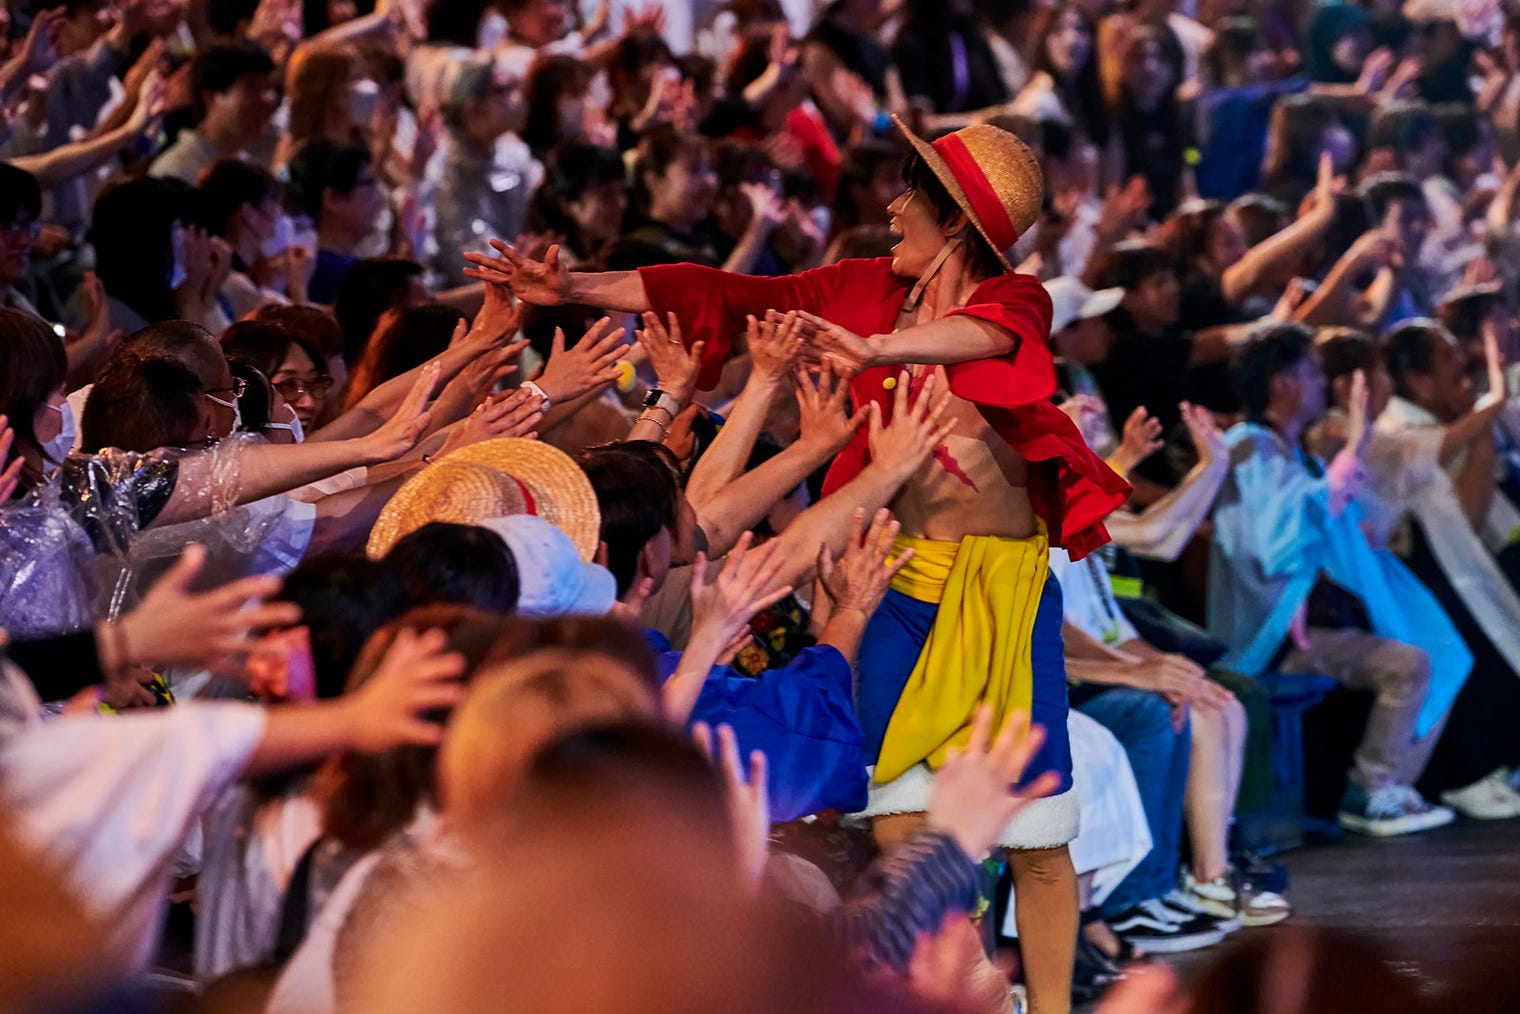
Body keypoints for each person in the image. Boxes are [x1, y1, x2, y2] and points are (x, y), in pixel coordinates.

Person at [470, 117, 1129, 1013]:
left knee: (1039, 837)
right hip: (892, 584)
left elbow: (990, 338)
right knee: (895, 818)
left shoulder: (1016, 300)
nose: (892, 208)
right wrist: (576, 285)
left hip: (1003, 597)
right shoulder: (861, 289)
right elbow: (726, 293)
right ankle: (969, 990)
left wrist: (881, 351)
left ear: (956, 220)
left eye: (912, 195)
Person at [1208, 320, 1462, 836]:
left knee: (1438, 650)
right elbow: (1275, 542)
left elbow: (1318, 515)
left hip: (1301, 626)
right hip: (1269, 636)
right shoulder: (1249, 447)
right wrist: (1355, 447)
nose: (1321, 383)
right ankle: (1371, 791)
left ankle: (1393, 786)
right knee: (1409, 664)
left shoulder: (1291, 452)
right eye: (1310, 371)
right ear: (1283, 382)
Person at [149, 40, 280, 184]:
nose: (268, 99)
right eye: (252, 89)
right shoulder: (176, 172)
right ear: (211, 97)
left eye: (268, 88)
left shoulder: (254, 164)